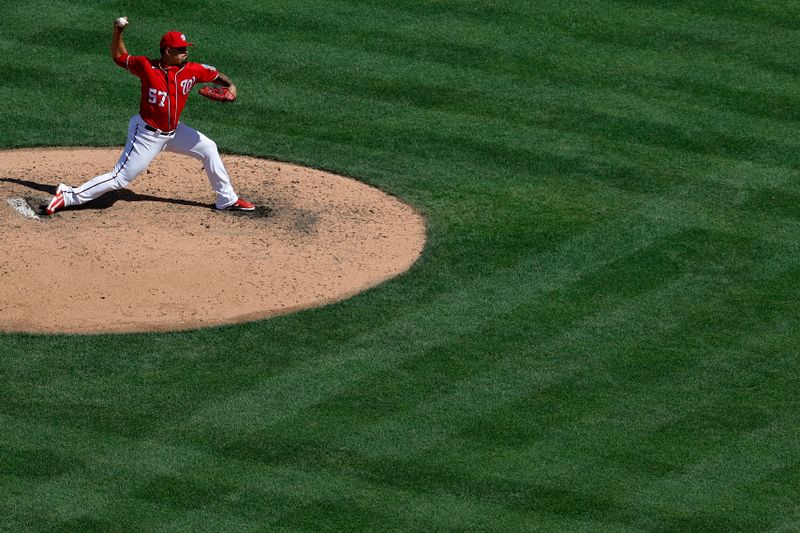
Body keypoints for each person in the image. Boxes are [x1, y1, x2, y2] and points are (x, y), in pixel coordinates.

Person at [46, 17, 255, 215]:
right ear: (167, 51)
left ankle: (226, 199)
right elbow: (119, 57)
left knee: (208, 148)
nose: (185, 53)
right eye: (181, 50)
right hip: (146, 135)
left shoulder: (192, 70)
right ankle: (68, 195)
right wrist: (118, 32)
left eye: (186, 49)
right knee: (120, 178)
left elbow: (220, 77)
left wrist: (232, 87)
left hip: (174, 132)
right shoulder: (146, 66)